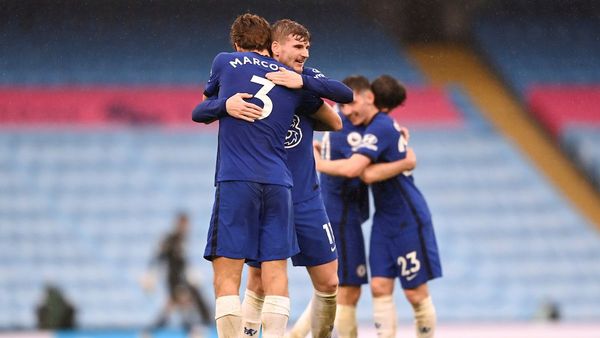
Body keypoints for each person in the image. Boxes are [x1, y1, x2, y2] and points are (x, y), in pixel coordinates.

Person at [193, 18, 352, 338]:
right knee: (258, 278)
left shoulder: (301, 79)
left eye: (307, 47)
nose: (305, 53)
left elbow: (336, 118)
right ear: (272, 47)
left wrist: (302, 83)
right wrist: (227, 104)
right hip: (274, 184)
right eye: (298, 46)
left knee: (328, 281)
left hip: (299, 192)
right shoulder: (251, 72)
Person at [314, 75, 442, 338]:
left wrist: (317, 163)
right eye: (344, 107)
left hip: (408, 216)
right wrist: (406, 161)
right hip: (384, 219)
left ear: (369, 98)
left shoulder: (381, 127)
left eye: (350, 105)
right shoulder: (376, 127)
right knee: (380, 286)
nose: (347, 112)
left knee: (415, 292)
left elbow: (364, 173)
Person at [292, 76, 415, 338]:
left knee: (333, 287)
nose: (349, 111)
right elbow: (356, 169)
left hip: (341, 211)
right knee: (347, 290)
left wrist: (395, 136)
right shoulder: (350, 129)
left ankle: (294, 335)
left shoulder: (349, 122)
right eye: (347, 106)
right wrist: (400, 152)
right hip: (340, 214)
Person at [143, 212, 212, 332]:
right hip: (173, 280)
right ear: (179, 224)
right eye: (184, 224)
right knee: (184, 303)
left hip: (181, 278)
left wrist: (191, 272)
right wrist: (150, 274)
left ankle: (149, 331)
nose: (186, 227)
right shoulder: (170, 239)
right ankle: (192, 331)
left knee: (171, 308)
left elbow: (183, 261)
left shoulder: (183, 240)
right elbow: (159, 256)